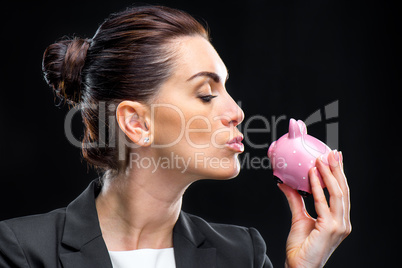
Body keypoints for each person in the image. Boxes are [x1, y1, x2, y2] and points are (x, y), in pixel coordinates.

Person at [0, 5, 351, 268]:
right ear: (136, 123)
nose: (237, 112)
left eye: (225, 88)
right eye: (206, 93)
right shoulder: (21, 250)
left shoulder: (242, 254)